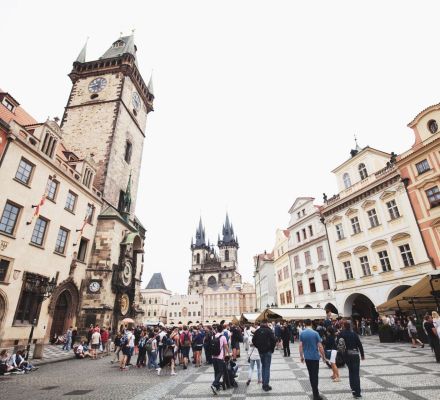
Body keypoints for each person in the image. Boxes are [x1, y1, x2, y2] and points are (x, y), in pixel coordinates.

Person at [299, 319, 326, 400]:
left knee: (311, 375)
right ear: (311, 324)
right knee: (315, 375)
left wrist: (301, 356)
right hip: (314, 357)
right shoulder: (315, 333)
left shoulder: (302, 333)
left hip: (307, 357)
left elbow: (300, 346)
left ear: (304, 324)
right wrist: (323, 356)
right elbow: (320, 346)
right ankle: (316, 394)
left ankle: (315, 392)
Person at [338, 321, 365, 399]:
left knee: (351, 372)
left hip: (347, 355)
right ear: (350, 326)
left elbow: (339, 345)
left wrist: (342, 355)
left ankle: (353, 390)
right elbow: (359, 344)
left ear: (344, 326)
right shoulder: (354, 334)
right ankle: (358, 393)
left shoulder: (341, 334)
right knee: (356, 374)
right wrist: (362, 355)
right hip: (355, 355)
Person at [252, 319, 276, 392]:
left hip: (261, 352)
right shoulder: (269, 331)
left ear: (261, 323)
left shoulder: (258, 331)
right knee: (267, 367)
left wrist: (258, 347)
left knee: (263, 367)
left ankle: (264, 383)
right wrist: (271, 349)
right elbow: (274, 340)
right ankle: (266, 385)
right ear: (266, 323)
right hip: (268, 351)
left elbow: (253, 340)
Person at [211, 324, 229, 395]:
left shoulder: (213, 336)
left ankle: (217, 386)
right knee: (221, 371)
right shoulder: (223, 337)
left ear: (216, 329)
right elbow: (226, 346)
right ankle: (215, 383)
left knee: (216, 371)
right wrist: (229, 353)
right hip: (220, 357)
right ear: (222, 330)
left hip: (213, 357)